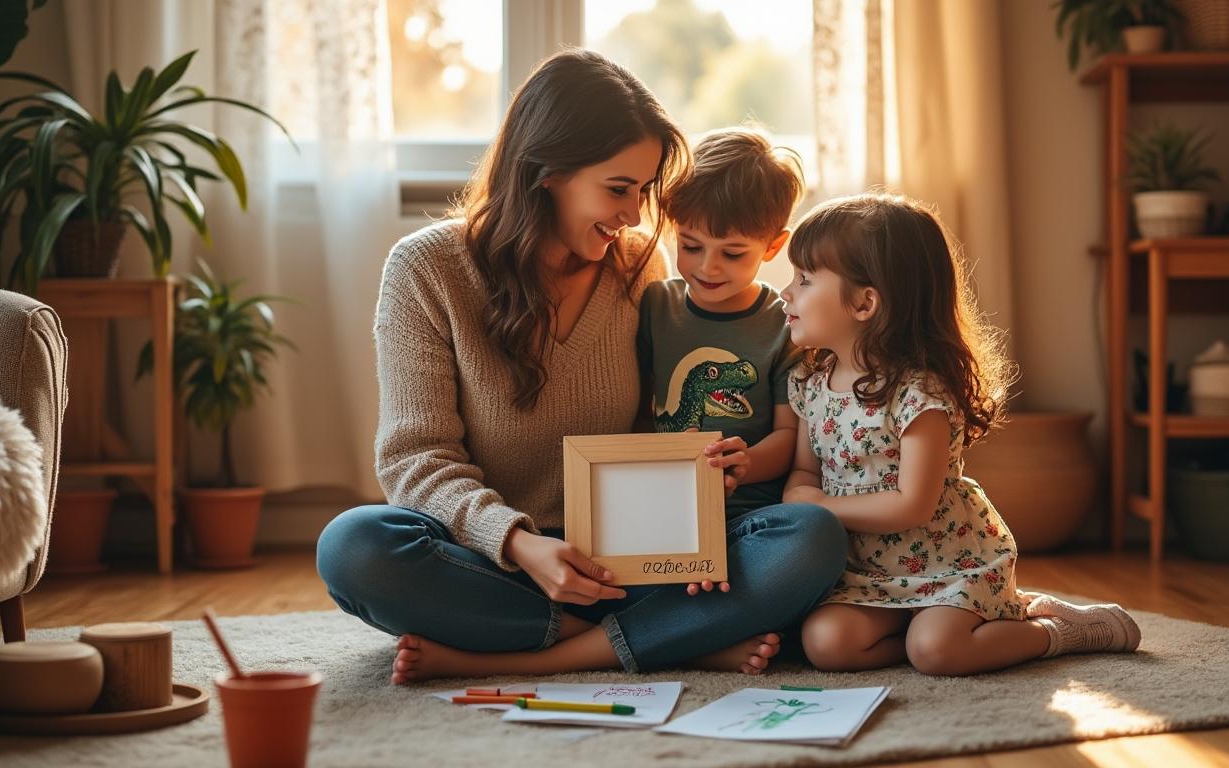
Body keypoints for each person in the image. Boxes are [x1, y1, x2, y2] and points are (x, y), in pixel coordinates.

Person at [315, 49, 847, 684]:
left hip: (636, 567)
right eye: (618, 189)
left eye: (644, 190)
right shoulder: (426, 270)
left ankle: (563, 646)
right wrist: (520, 544)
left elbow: (675, 424)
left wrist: (695, 528)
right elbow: (414, 459)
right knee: (355, 548)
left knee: (809, 536)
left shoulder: (636, 269)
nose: (633, 215)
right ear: (546, 170)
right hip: (498, 563)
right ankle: (662, 640)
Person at [780, 193, 1141, 675]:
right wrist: (800, 496)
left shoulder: (918, 393)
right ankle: (930, 634)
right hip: (865, 572)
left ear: (865, 303)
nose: (786, 292)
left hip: (948, 564)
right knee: (826, 644)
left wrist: (821, 508)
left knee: (939, 654)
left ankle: (1056, 631)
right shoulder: (810, 383)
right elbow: (805, 470)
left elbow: (913, 504)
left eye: (804, 280)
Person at [637, 127, 804, 518]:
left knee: (814, 531)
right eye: (691, 246)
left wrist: (745, 465)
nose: (707, 267)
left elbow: (787, 435)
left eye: (732, 253)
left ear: (773, 246)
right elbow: (639, 411)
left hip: (750, 509)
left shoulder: (785, 324)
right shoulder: (656, 305)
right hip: (669, 502)